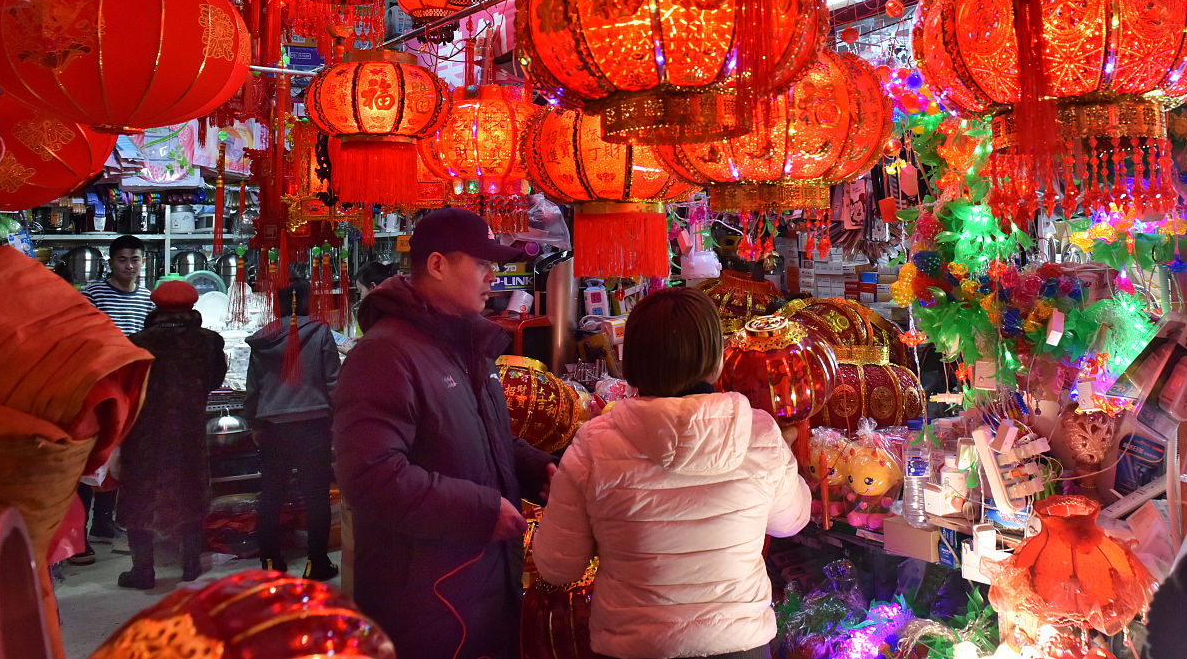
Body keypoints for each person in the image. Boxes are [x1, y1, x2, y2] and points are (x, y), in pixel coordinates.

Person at [532, 287, 812, 659]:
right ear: (716, 363)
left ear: (629, 362)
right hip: (738, 644)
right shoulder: (757, 433)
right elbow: (791, 520)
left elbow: (556, 565)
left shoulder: (595, 444)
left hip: (634, 647)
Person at [333, 207, 558, 659]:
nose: (493, 277)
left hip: (482, 585)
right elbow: (371, 478)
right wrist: (478, 511)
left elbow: (485, 438)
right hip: (425, 599)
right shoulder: (385, 354)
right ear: (437, 265)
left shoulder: (464, 345)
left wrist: (539, 467)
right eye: (482, 264)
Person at [117, 280, 227, 589]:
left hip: (143, 433)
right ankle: (191, 564)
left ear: (156, 307)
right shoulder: (209, 342)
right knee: (189, 491)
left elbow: (124, 387)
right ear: (193, 306)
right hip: (189, 429)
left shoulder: (136, 343)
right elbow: (215, 379)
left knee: (140, 496)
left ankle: (143, 570)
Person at [244, 277, 342, 580]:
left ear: (280, 302)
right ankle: (317, 563)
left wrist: (254, 423)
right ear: (308, 300)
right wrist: (339, 417)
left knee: (271, 494)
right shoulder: (320, 331)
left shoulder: (263, 338)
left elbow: (253, 388)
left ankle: (270, 561)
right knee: (315, 495)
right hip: (313, 425)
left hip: (273, 426)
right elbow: (333, 381)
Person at [72, 233, 155, 565]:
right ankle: (78, 535)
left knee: (119, 458)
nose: (129, 265)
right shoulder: (92, 294)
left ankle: (104, 524)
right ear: (111, 262)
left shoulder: (148, 299)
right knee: (91, 458)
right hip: (98, 386)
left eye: (134, 259)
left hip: (131, 388)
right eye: (122, 259)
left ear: (143, 262)